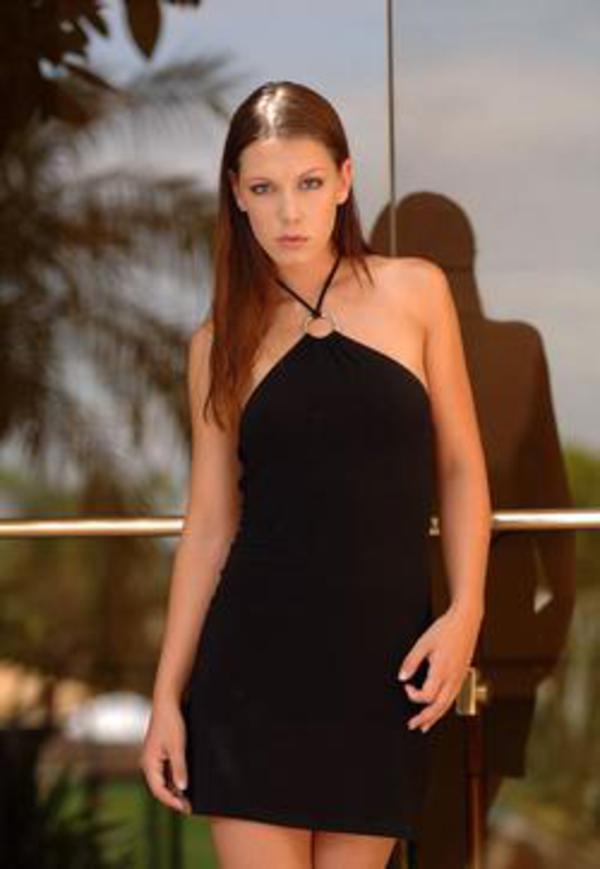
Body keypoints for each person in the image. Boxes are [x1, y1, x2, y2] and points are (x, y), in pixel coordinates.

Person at [140, 80, 491, 869]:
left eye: (307, 183)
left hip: (382, 668)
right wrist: (166, 694)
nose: (288, 213)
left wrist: (466, 609)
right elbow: (209, 525)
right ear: (236, 195)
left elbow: (462, 465)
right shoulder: (218, 343)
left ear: (343, 180)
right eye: (264, 189)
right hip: (251, 673)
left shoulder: (416, 292)